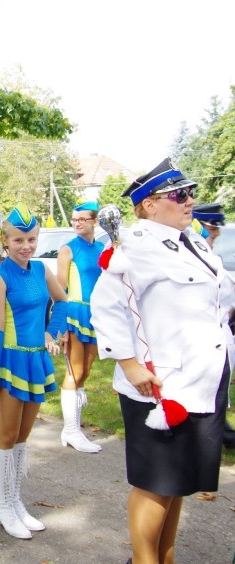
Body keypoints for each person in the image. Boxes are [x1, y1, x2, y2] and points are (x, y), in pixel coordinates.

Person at [91, 159, 230, 563]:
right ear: (149, 204)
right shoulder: (135, 245)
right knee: (156, 482)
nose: (190, 201)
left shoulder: (196, 242)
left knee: (178, 483)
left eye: (191, 193)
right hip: (159, 384)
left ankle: (164, 558)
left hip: (202, 379)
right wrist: (130, 364)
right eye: (179, 195)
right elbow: (107, 306)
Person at [0, 205, 67, 540]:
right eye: (19, 240)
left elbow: (64, 302)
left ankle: (15, 501)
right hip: (9, 362)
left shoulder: (42, 270)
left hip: (35, 361)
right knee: (5, 436)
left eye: (31, 239)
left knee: (22, 437)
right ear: (6, 240)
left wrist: (51, 332)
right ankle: (3, 504)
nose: (26, 245)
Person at [54, 201, 105, 453]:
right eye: (74, 219)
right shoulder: (67, 249)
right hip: (75, 312)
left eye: (83, 219)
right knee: (74, 371)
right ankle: (72, 431)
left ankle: (73, 427)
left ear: (94, 221)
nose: (77, 223)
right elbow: (60, 287)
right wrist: (59, 326)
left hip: (96, 314)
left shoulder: (102, 247)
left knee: (85, 371)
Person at [192, 202, 235, 450]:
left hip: (223, 327)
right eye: (212, 227)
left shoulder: (221, 252)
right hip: (201, 331)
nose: (215, 231)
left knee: (217, 385)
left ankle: (218, 435)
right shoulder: (196, 251)